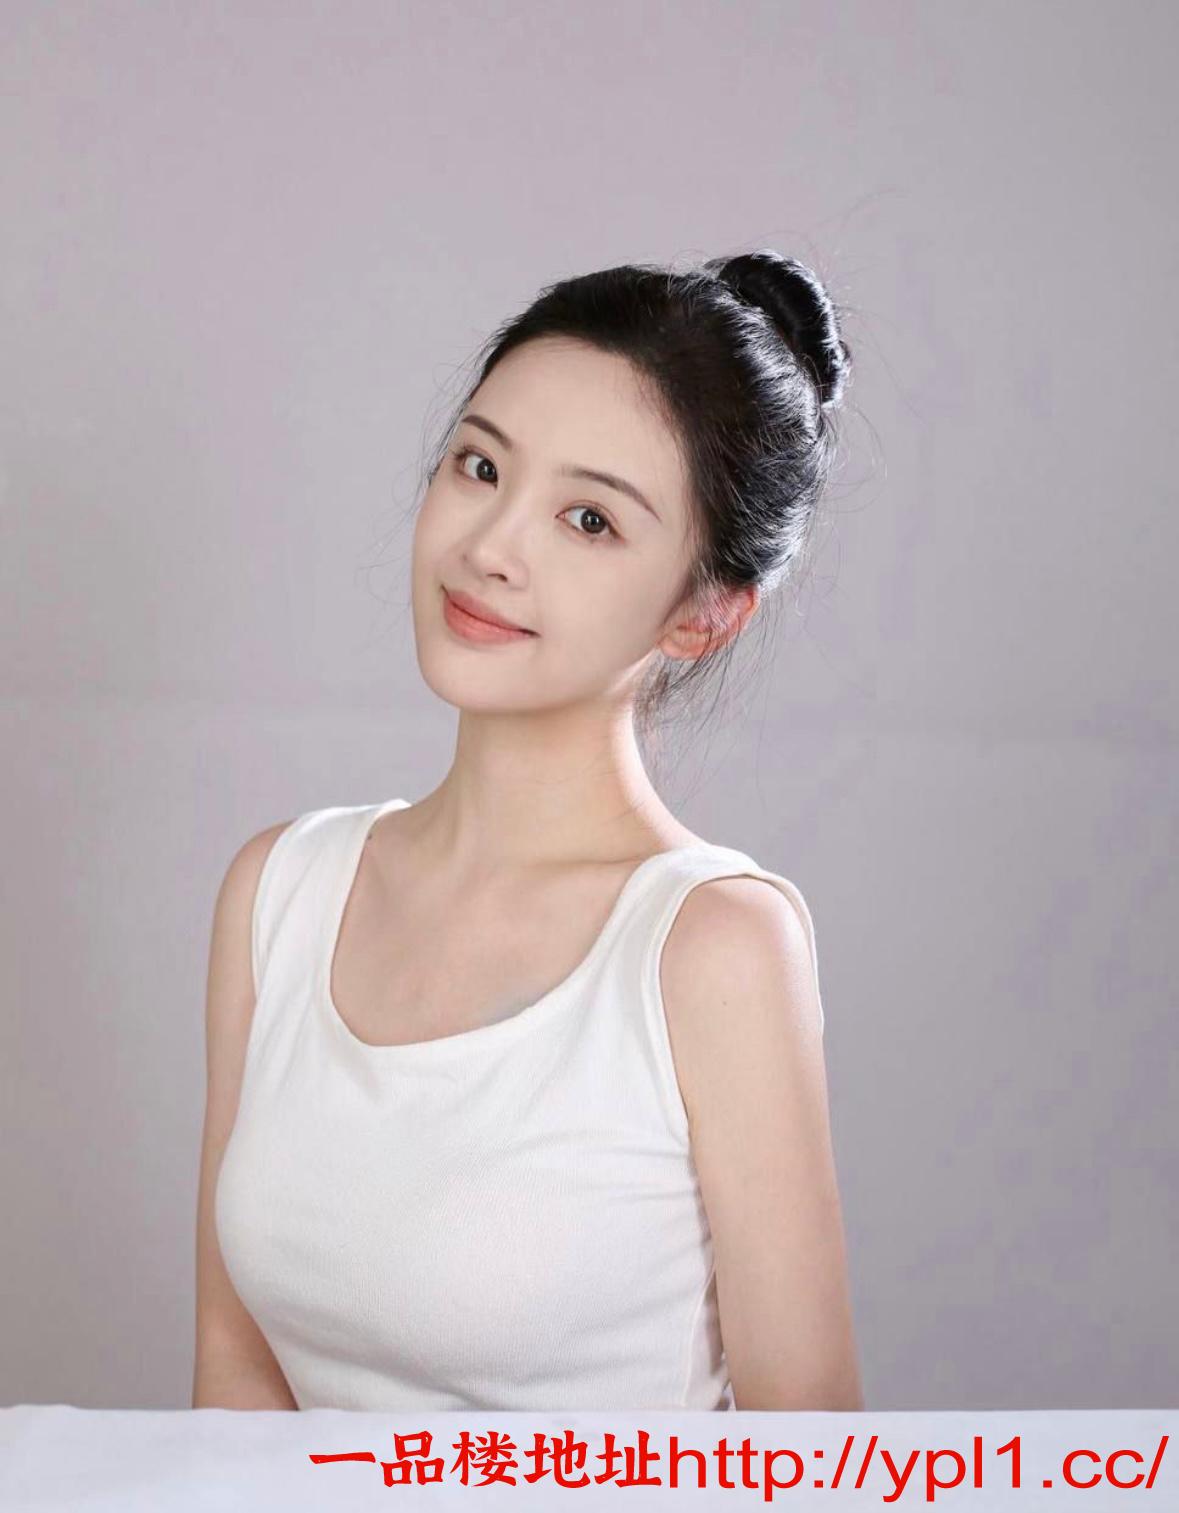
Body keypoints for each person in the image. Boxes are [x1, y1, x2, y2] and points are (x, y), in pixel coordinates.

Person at [193, 249, 864, 1413]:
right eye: (481, 464)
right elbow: (233, 1375)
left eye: (589, 519)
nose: (490, 547)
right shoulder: (281, 893)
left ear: (704, 614)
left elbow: (812, 1455)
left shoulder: (712, 947)